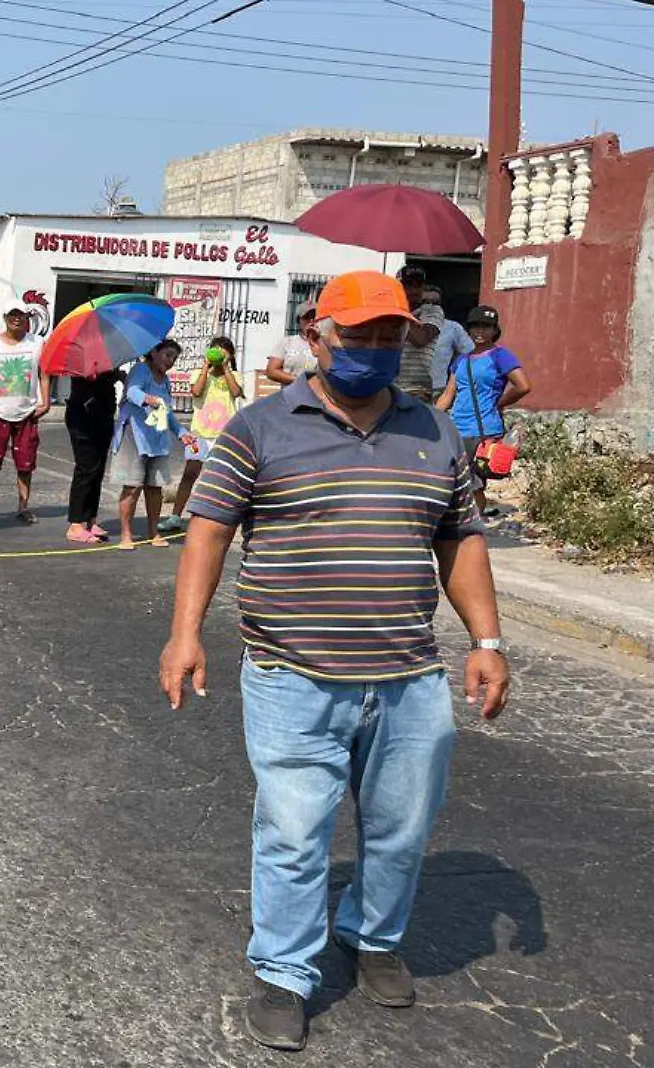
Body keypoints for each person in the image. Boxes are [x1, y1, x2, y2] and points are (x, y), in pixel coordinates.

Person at [161, 269, 510, 1054]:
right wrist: (185, 634)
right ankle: (286, 972)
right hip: (292, 674)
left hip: (407, 675)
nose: (375, 350)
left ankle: (373, 937)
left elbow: (460, 538)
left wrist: (486, 643)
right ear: (318, 335)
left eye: (390, 337)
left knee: (400, 826)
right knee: (293, 829)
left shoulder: (434, 430)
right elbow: (208, 533)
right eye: (359, 336)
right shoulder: (259, 427)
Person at [437, 305, 533, 517]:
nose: (480, 331)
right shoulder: (461, 360)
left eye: (486, 327)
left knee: (474, 483)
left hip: (484, 430)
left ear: (494, 330)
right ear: (469, 329)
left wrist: (500, 403)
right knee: (454, 478)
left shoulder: (501, 356)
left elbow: (523, 386)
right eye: (475, 326)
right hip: (457, 428)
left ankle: (473, 528)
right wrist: (430, 417)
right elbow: (448, 394)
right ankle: (463, 524)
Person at [111, 339, 190, 550]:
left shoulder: (165, 380)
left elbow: (168, 411)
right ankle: (126, 535)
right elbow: (132, 392)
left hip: (157, 438)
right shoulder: (140, 370)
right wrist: (149, 399)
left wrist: (182, 433)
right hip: (134, 436)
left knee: (155, 488)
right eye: (167, 355)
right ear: (154, 352)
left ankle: (153, 532)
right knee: (132, 486)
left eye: (174, 358)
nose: (170, 361)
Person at [0, 305, 48, 525]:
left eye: (21, 315)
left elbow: (44, 374)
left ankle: (23, 506)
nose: (17, 319)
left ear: (27, 318)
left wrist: (45, 403)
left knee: (25, 463)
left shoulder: (37, 343)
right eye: (12, 315)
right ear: (5, 317)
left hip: (27, 412)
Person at [164, 335, 244, 532]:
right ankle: (176, 516)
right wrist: (205, 368)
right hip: (200, 432)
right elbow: (196, 392)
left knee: (223, 477)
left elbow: (235, 392)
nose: (219, 351)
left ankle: (220, 516)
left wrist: (226, 368)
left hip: (225, 434)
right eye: (216, 348)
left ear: (230, 354)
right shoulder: (200, 374)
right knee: (190, 474)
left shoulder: (234, 375)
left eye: (224, 349)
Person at [62, 365, 121, 545]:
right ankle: (75, 524)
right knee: (86, 468)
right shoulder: (82, 352)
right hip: (83, 413)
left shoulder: (108, 351)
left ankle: (90, 520)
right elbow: (87, 377)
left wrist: (115, 374)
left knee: (98, 469)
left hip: (103, 412)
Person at [394, 265, 443, 402]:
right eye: (408, 285)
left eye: (418, 285)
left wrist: (400, 311)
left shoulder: (432, 311)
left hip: (416, 389)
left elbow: (421, 339)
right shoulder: (390, 312)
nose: (413, 290)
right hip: (387, 385)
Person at [425, 285, 475, 397]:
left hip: (436, 392)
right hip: (404, 389)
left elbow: (470, 353)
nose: (430, 306)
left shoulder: (452, 328)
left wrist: (454, 379)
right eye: (425, 302)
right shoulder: (406, 324)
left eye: (435, 302)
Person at [264, 307, 319, 387]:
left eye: (314, 317)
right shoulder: (287, 342)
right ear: (298, 321)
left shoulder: (325, 344)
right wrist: (299, 381)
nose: (311, 321)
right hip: (291, 393)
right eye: (306, 318)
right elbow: (271, 371)